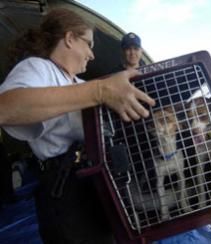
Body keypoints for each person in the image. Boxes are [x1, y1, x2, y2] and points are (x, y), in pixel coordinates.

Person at [0, 8, 155, 244]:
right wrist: (99, 91)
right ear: (70, 38)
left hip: (91, 184)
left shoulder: (77, 82)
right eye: (88, 44)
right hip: (65, 191)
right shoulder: (38, 68)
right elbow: (6, 109)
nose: (92, 55)